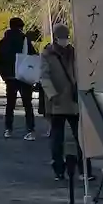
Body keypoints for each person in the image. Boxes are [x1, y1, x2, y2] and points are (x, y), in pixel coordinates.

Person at [40, 23, 80, 179]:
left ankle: (83, 169)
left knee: (80, 136)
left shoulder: (74, 53)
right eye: (62, 38)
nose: (65, 40)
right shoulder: (47, 54)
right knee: (57, 137)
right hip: (57, 100)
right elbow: (44, 76)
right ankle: (59, 168)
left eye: (66, 37)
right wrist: (52, 94)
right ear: (55, 38)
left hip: (73, 99)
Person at [0, 16, 36, 140]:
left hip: (10, 76)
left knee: (10, 104)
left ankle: (8, 129)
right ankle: (30, 130)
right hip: (24, 75)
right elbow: (33, 56)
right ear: (21, 27)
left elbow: (0, 59)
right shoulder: (25, 40)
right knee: (27, 104)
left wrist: (4, 75)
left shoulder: (3, 41)